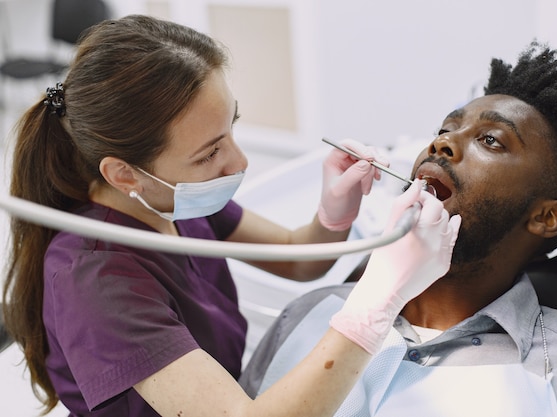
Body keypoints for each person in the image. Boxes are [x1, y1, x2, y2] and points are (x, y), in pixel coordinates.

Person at [1, 14, 462, 417]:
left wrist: (333, 213)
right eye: (210, 153)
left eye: (231, 129)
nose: (239, 162)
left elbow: (297, 258)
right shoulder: (96, 280)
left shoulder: (170, 202)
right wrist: (378, 300)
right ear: (125, 174)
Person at [239, 41, 557, 416]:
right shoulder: (309, 314)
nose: (443, 143)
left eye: (490, 140)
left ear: (546, 217)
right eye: (446, 127)